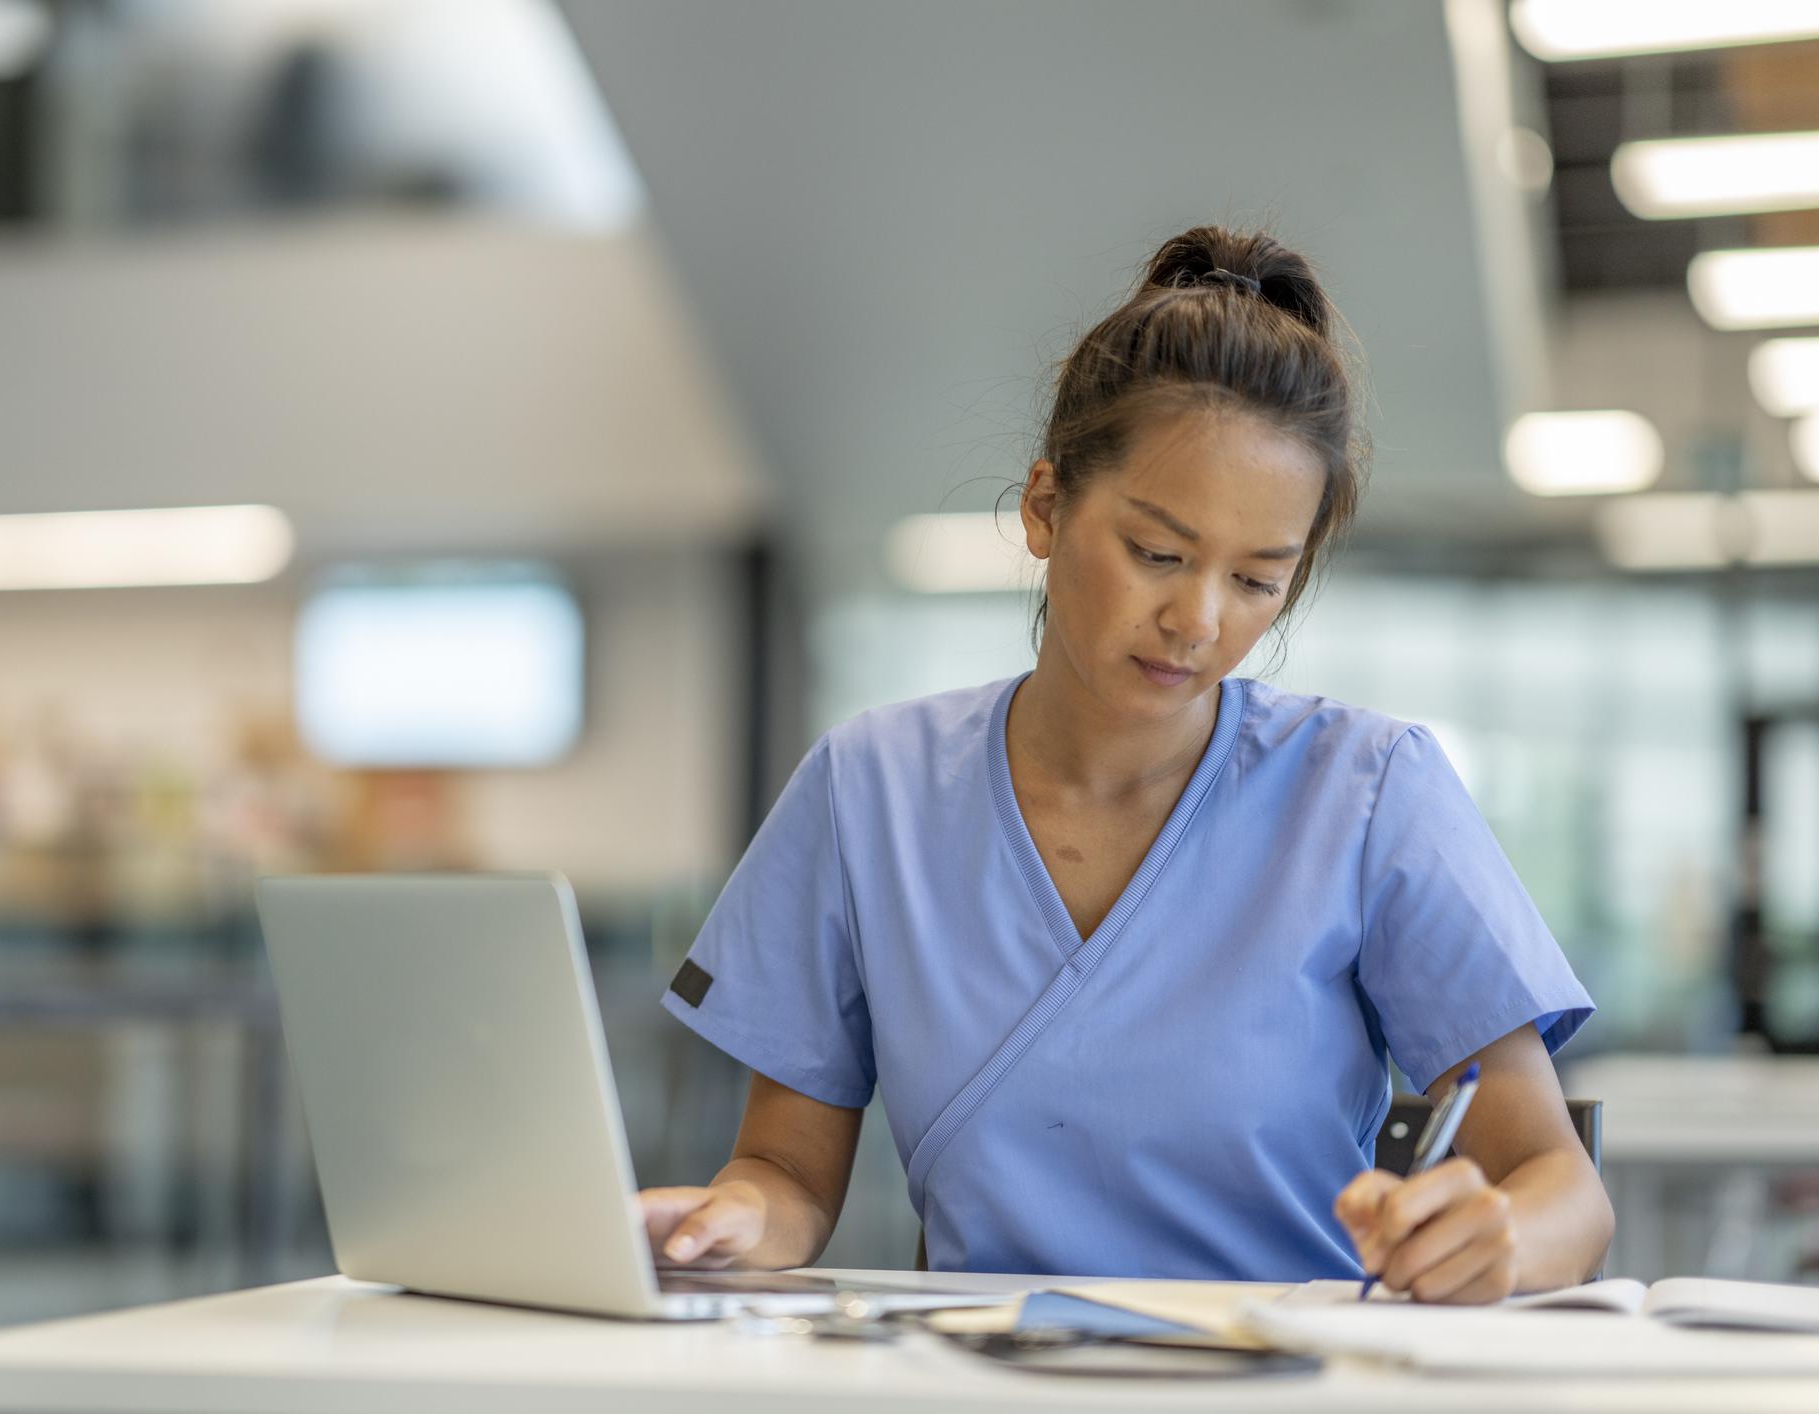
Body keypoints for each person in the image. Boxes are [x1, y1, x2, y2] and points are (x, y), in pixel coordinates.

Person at [639, 226, 1615, 1304]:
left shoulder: (1369, 789)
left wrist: (1501, 1239)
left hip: (1289, 1379)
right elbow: (784, 1174)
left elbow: (1561, 1186)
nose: (1197, 619)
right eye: (1158, 553)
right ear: (1047, 506)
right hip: (988, 1378)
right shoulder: (869, 788)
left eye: (1257, 579)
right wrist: (724, 1220)